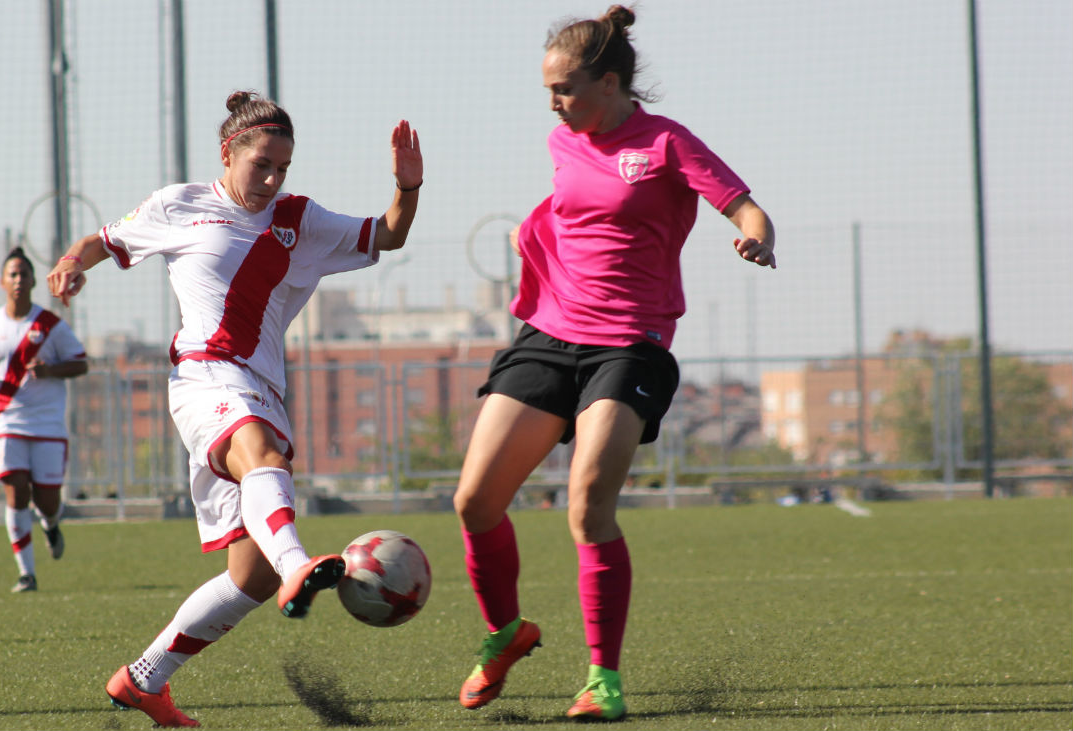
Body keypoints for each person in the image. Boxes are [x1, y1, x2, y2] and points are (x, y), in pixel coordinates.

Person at [46, 90, 422, 728]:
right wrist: (69, 264)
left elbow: (387, 234)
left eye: (283, 168)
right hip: (203, 374)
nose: (272, 180)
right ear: (228, 153)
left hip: (260, 387)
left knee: (249, 578)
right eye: (261, 165)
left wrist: (407, 187)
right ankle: (298, 565)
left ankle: (143, 679)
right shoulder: (179, 205)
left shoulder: (299, 218)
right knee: (262, 454)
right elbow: (101, 241)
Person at [452, 5, 775, 721]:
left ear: (608, 82)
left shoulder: (666, 142)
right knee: (474, 501)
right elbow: (573, 212)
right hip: (549, 335)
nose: (554, 103)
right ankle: (505, 633)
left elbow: (744, 207)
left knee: (588, 502)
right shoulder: (562, 140)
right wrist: (534, 237)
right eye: (548, 90)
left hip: (629, 344)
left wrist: (757, 237)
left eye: (564, 89)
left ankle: (602, 679)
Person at [0, 246, 89, 593]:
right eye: (13, 274)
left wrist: (51, 370)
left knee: (47, 501)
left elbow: (81, 363)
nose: (18, 280)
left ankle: (51, 524)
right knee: (16, 491)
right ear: (2, 282)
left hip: (47, 424)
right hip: (5, 421)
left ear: (34, 281)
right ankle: (26, 574)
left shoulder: (50, 325)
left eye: (24, 274)